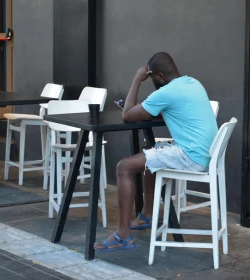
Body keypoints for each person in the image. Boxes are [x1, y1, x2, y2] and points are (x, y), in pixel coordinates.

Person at [94, 52, 218, 252]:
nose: (152, 82)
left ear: (160, 76)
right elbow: (168, 109)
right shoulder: (192, 83)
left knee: (124, 167)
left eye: (152, 78)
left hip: (191, 156)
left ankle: (123, 235)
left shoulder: (166, 92)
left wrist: (137, 79)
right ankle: (147, 215)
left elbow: (127, 115)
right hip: (205, 154)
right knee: (150, 154)